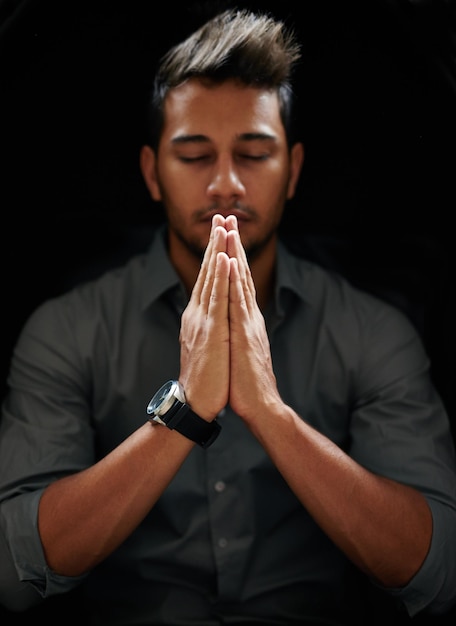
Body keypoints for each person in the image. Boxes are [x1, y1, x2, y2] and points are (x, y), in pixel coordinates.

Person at [1, 7, 456, 625]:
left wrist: (270, 413)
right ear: (151, 172)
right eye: (193, 155)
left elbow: (439, 573)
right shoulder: (66, 331)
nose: (224, 184)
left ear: (292, 170)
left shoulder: (371, 332)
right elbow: (14, 574)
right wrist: (185, 412)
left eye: (253, 153)